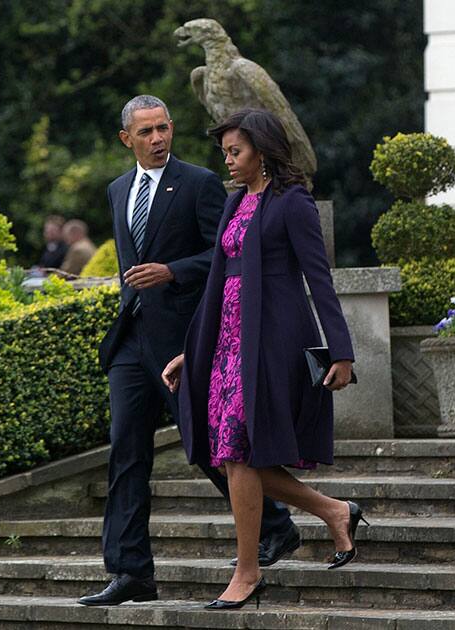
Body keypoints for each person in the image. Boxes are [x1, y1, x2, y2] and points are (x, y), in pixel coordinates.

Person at [77, 95, 300, 607]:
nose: (157, 139)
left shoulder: (200, 183)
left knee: (208, 447)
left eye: (164, 128)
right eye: (146, 132)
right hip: (131, 341)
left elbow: (222, 255)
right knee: (125, 455)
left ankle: (275, 525)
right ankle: (131, 572)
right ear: (126, 139)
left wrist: (173, 270)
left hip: (185, 339)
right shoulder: (116, 190)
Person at [162, 108, 366, 611]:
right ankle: (336, 512)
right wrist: (194, 350)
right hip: (226, 345)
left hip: (271, 341)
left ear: (263, 150)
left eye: (237, 151)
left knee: (241, 452)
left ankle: (247, 571)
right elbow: (218, 284)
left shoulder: (293, 202)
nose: (228, 161)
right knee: (232, 452)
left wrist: (340, 351)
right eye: (225, 152)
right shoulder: (234, 204)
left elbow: (319, 278)